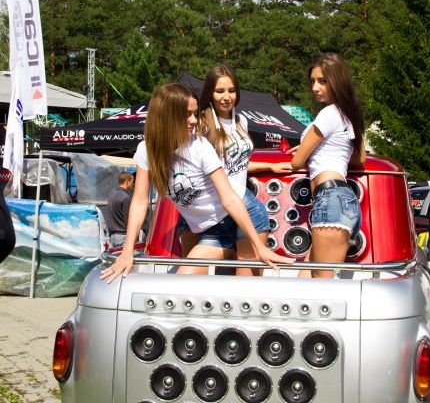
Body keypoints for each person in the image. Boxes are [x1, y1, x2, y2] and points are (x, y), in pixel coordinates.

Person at [101, 82, 290, 282]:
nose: (193, 120)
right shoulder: (146, 150)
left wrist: (260, 247)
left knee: (242, 288)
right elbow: (139, 201)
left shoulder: (199, 146)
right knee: (192, 283)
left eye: (195, 113)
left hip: (244, 213)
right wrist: (127, 251)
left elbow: (229, 197)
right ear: (167, 116)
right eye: (186, 114)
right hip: (209, 227)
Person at [179, 64, 292, 274]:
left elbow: (236, 164)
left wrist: (270, 166)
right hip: (209, 208)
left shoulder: (242, 122)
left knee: (244, 281)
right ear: (210, 93)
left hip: (242, 205)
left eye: (231, 90)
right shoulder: (199, 124)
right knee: (192, 280)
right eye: (219, 91)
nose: (226, 97)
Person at [290, 52, 366, 278]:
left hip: (329, 199)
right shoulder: (348, 114)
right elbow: (359, 159)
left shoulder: (328, 114)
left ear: (337, 81)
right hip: (342, 200)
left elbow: (296, 162)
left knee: (321, 287)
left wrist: (307, 148)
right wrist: (320, 148)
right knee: (305, 280)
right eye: (313, 81)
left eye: (322, 81)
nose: (315, 88)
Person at [107, 171, 135, 248]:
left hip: (113, 236)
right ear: (127, 182)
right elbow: (128, 219)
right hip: (123, 236)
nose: (133, 184)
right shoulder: (126, 197)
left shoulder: (112, 194)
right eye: (132, 181)